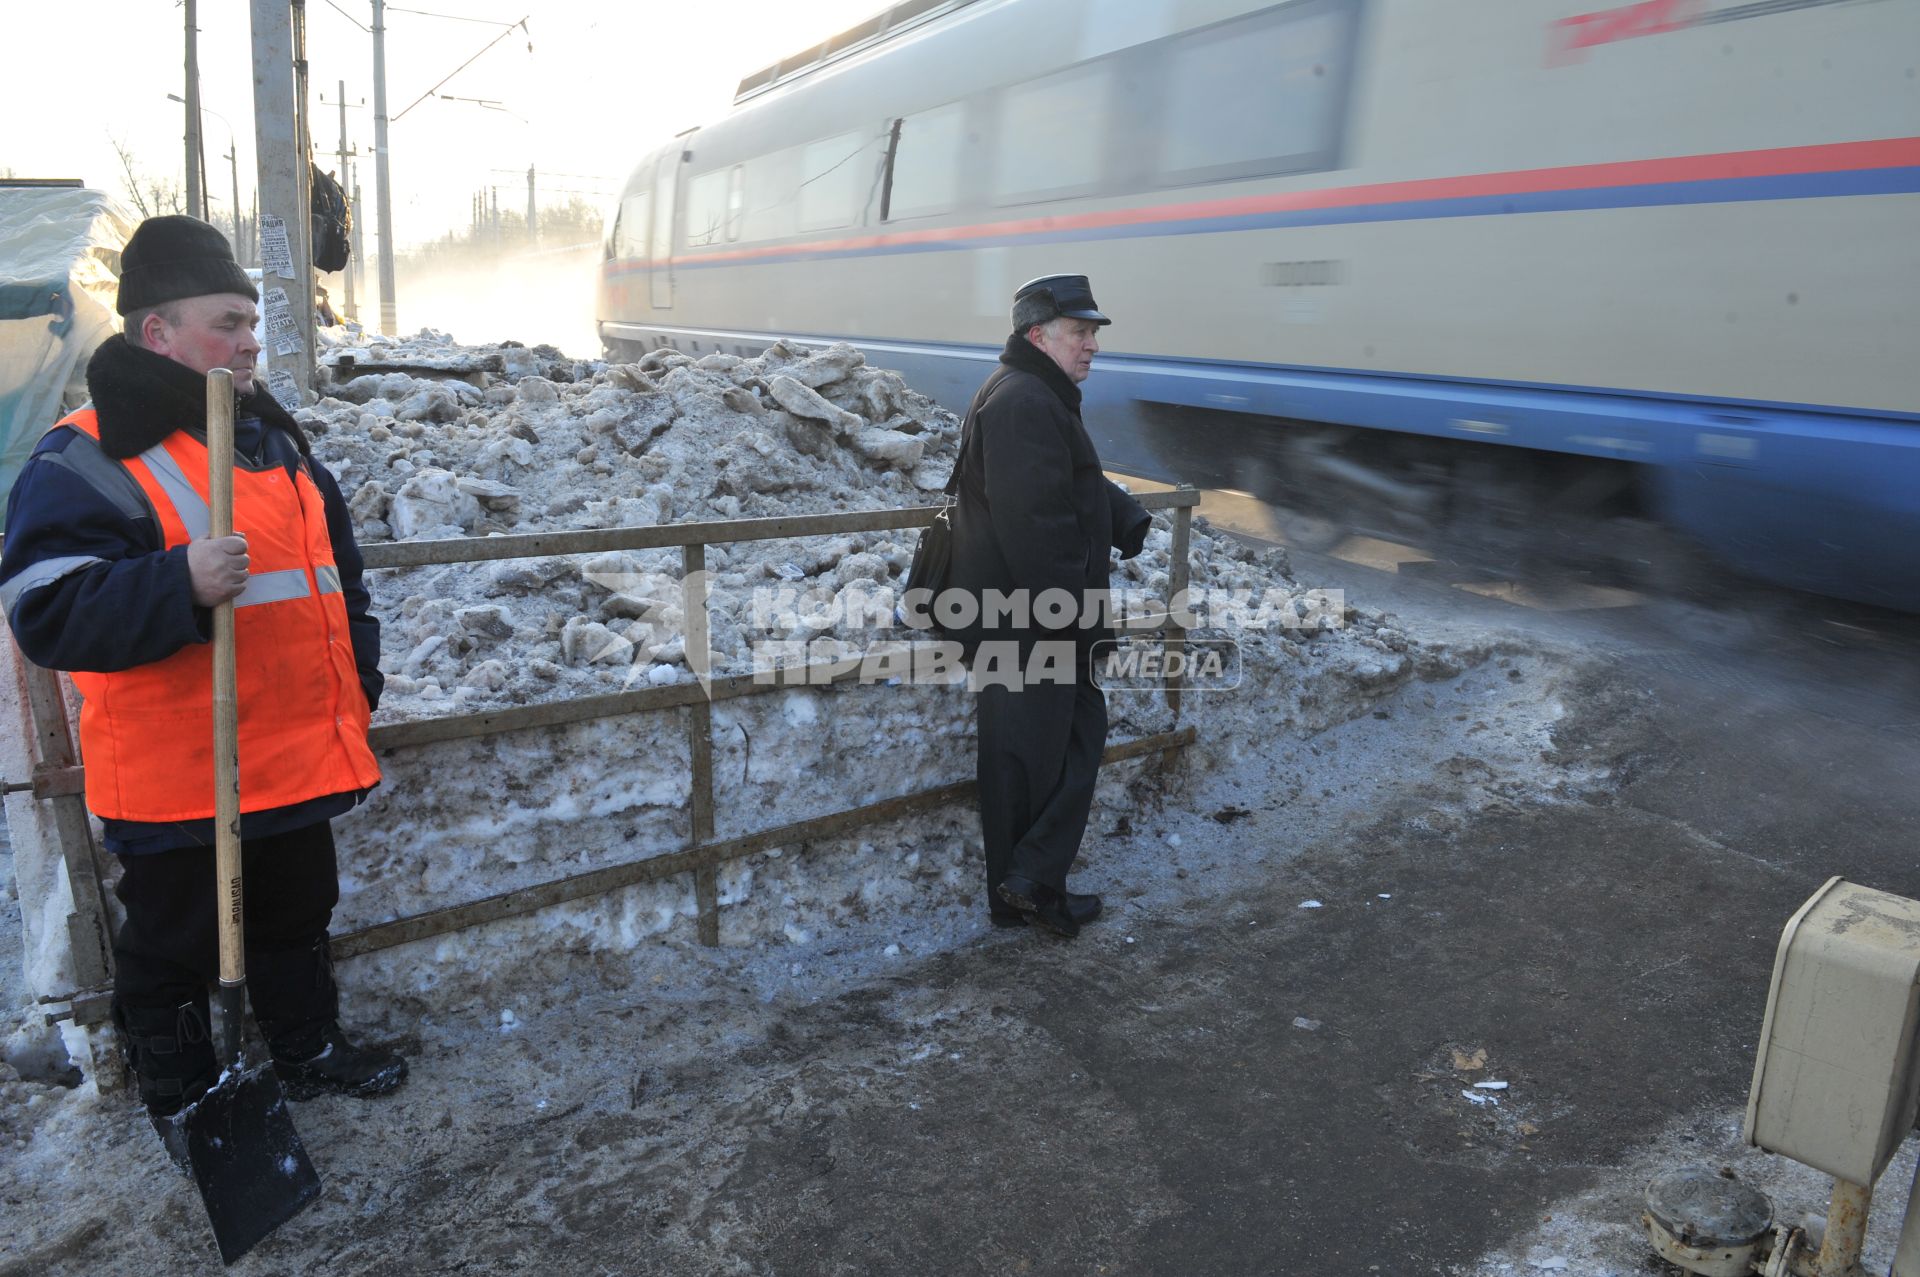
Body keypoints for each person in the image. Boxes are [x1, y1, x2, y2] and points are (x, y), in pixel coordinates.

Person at [0, 215, 407, 1124]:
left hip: (294, 753)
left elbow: (338, 579)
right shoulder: (87, 455)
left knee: (297, 915)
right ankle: (188, 1102)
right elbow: (44, 608)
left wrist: (360, 681)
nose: (250, 339)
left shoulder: (271, 438)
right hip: (182, 772)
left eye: (251, 322)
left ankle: (308, 1048)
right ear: (158, 332)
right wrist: (176, 580)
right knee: (175, 946)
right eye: (227, 321)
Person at [945, 274, 1151, 938]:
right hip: (1035, 620)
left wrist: (1122, 516)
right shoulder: (1025, 402)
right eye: (1080, 333)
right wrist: (1080, 621)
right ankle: (1032, 881)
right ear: (1040, 335)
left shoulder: (1033, 394)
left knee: (1026, 759)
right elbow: (1036, 528)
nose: (1092, 345)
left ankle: (1021, 889)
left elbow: (1062, 480)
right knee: (1063, 748)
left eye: (1094, 334)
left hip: (1021, 617)